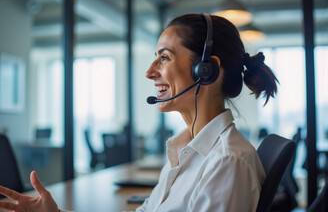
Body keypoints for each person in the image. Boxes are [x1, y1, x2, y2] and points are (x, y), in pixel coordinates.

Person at [0, 13, 278, 212]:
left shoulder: (227, 163)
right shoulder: (184, 152)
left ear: (206, 70)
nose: (150, 72)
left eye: (165, 57)